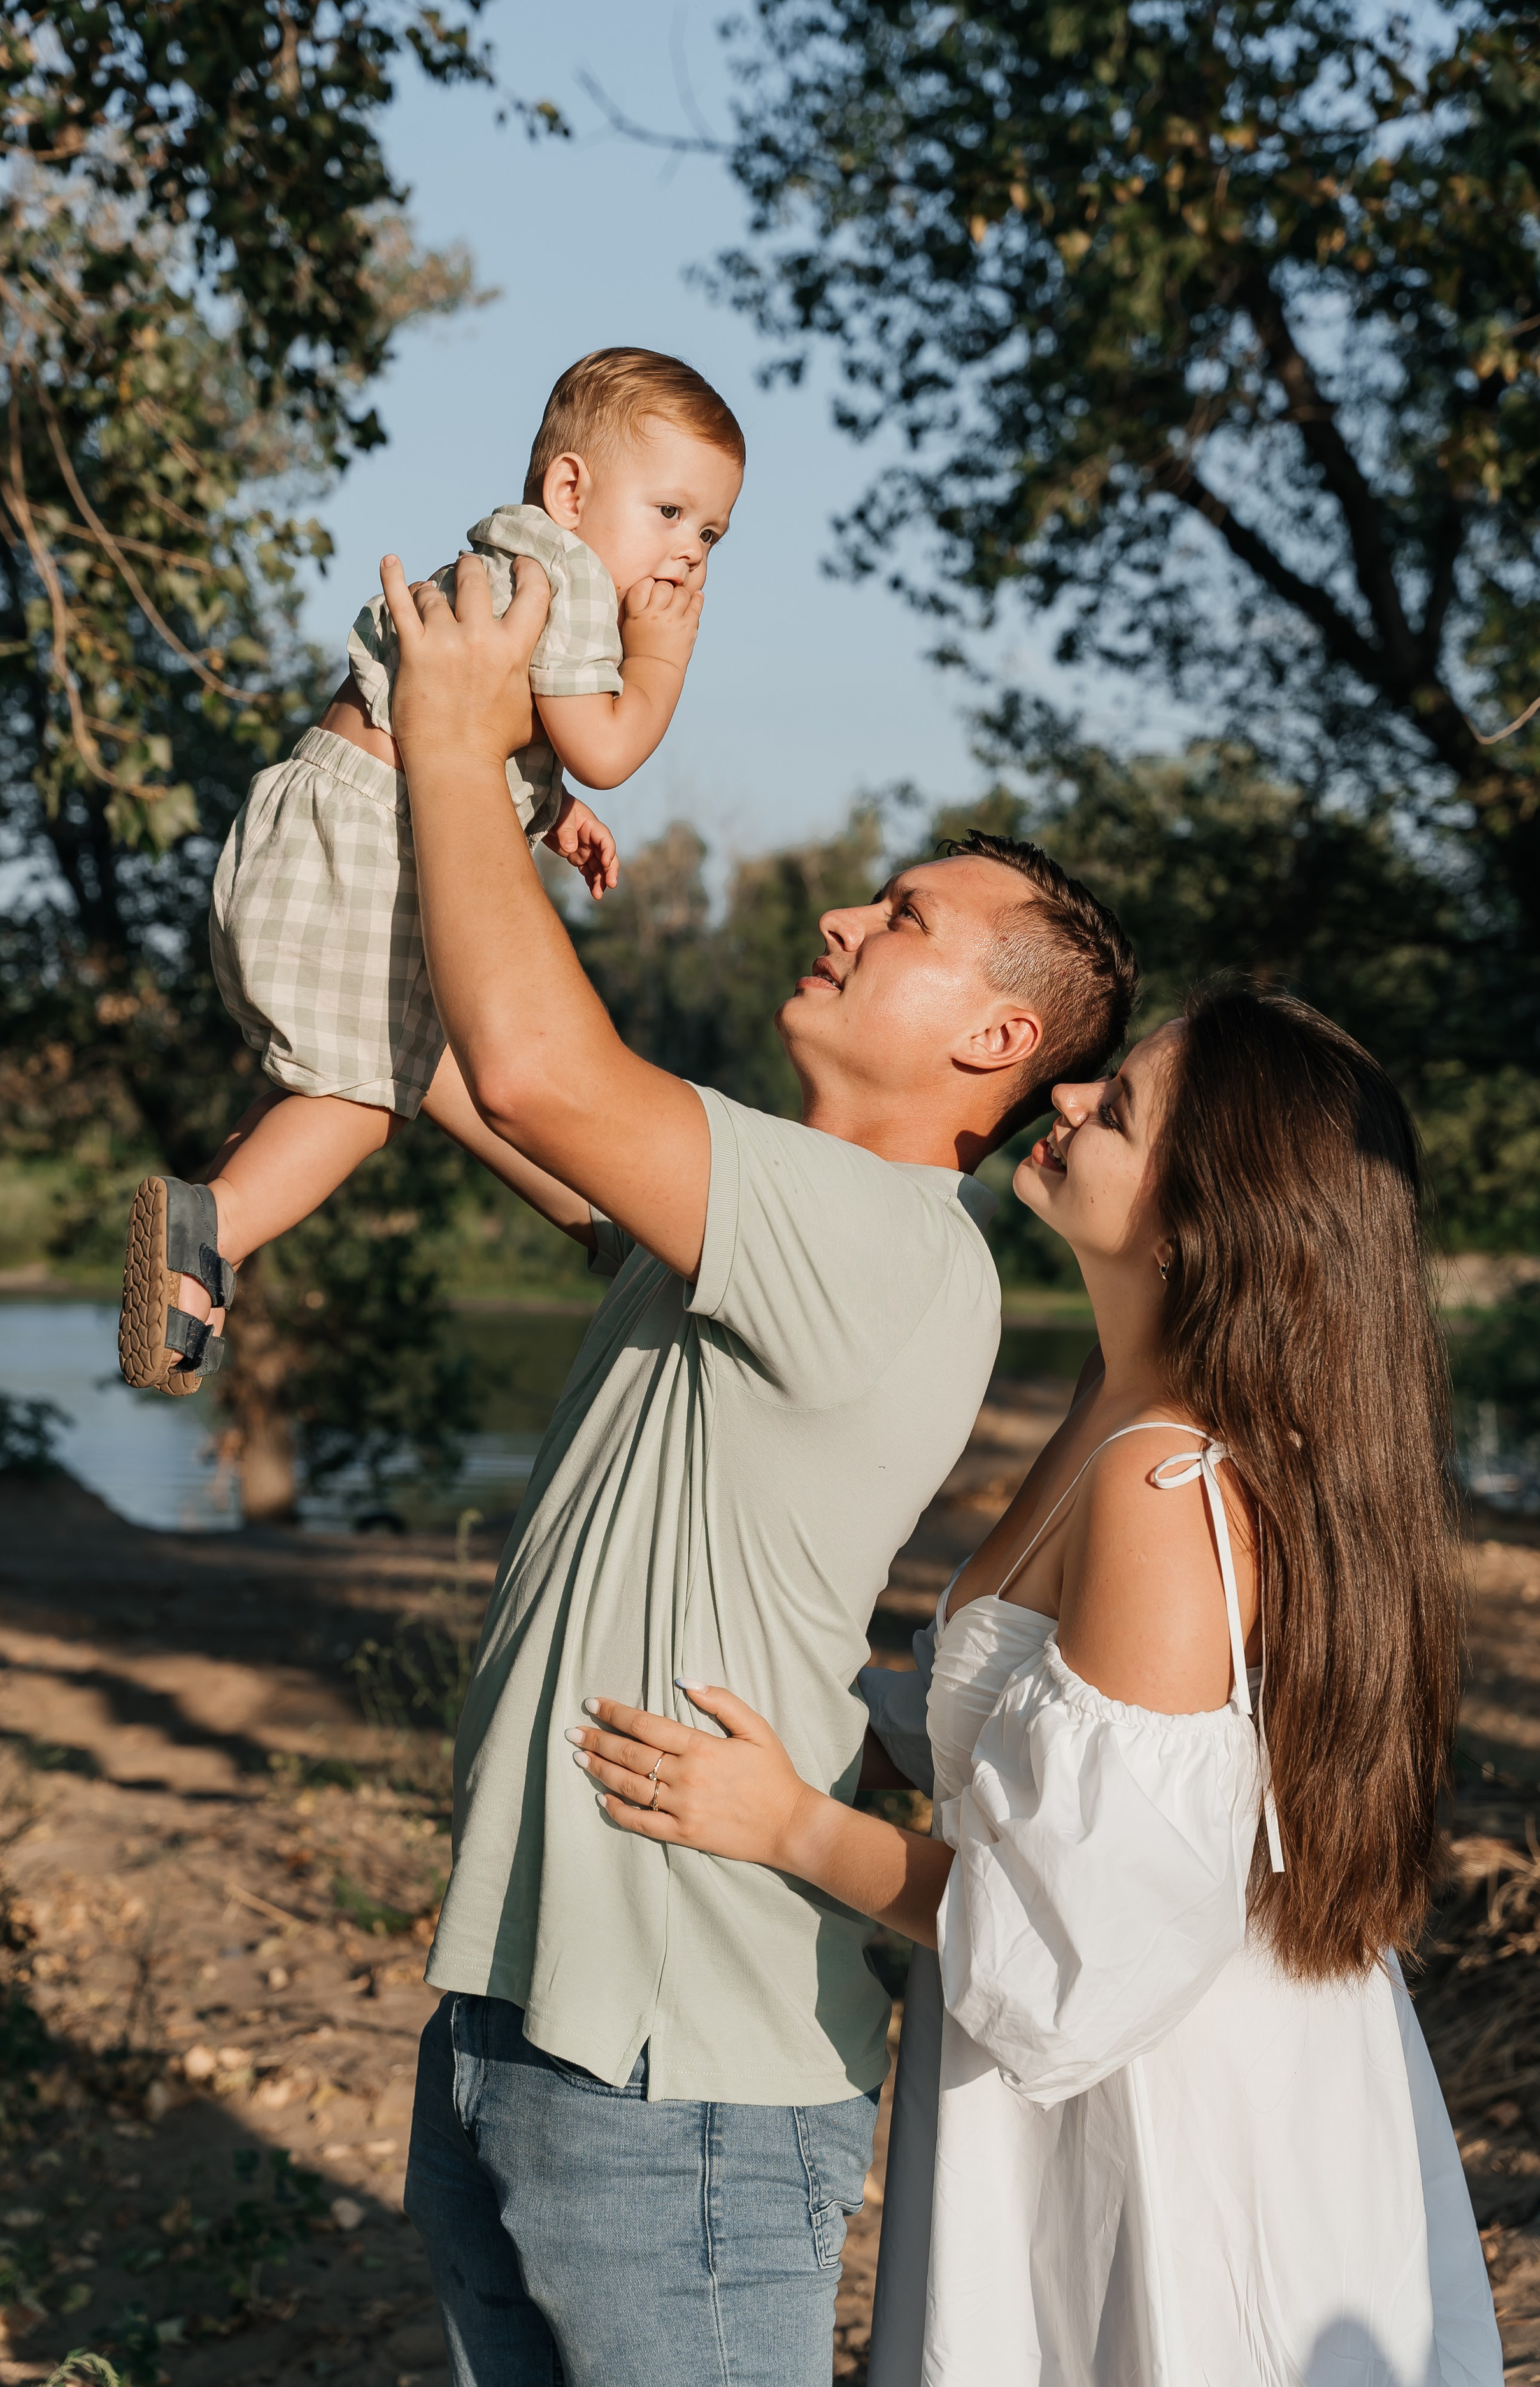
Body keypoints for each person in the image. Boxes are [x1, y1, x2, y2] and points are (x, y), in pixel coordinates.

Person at [371, 552, 1138, 2385]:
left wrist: (450, 728)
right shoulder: (755, 1212)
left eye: (912, 917)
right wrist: (484, 804)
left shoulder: (877, 1233)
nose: (854, 914)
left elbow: (547, 1077)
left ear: (995, 1040)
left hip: (677, 2068)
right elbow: (477, 1074)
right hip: (527, 2008)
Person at [576, 981, 1502, 2386]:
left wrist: (786, 1827)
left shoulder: (1167, 1478)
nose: (1066, 1097)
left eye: (1116, 1107)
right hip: (1155, 2062)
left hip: (1163, 2110)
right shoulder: (1116, 1398)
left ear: (1201, 1218)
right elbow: (1027, 1735)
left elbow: (1066, 1956)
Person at [117, 347, 744, 1397]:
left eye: (712, 534)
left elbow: (477, 731)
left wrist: (550, 815)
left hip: (312, 819)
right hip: (368, 853)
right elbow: (609, 745)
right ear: (573, 490)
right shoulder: (578, 585)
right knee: (367, 1102)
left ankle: (609, 1227)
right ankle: (210, 1227)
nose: (688, 558)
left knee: (388, 1059)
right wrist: (665, 655)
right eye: (672, 514)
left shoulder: (501, 558)